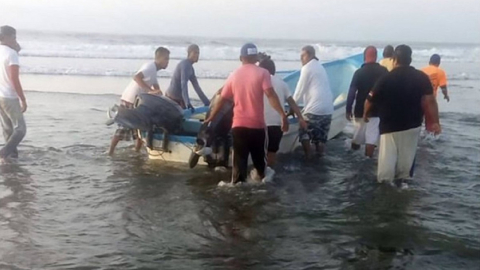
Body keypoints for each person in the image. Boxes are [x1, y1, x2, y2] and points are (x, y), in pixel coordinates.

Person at [205, 43, 288, 185]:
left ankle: (238, 191)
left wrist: (211, 116)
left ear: (241, 58)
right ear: (256, 57)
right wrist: (282, 115)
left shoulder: (234, 75)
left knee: (239, 169)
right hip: (258, 127)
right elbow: (271, 95)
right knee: (261, 168)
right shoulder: (263, 73)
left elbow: (222, 99)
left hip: (239, 127)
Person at [364, 45, 441, 184]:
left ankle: (387, 196)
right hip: (412, 126)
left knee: (385, 174)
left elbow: (369, 100)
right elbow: (431, 101)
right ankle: (403, 191)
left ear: (395, 59)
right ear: (410, 59)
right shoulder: (421, 77)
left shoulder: (386, 78)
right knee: (404, 171)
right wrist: (436, 122)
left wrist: (365, 115)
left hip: (389, 128)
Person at [108, 47, 170, 156]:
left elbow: (157, 89)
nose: (167, 62)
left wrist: (162, 96)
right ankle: (110, 151)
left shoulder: (154, 71)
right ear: (158, 59)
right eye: (166, 59)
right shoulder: (150, 67)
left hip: (137, 101)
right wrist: (149, 91)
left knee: (141, 127)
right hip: (130, 100)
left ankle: (136, 151)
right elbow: (136, 77)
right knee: (123, 128)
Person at [258, 57, 307, 167]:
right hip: (277, 124)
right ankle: (270, 174)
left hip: (260, 124)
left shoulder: (258, 81)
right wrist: (300, 118)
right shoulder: (282, 83)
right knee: (271, 154)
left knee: (259, 153)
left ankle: (259, 176)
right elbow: (292, 102)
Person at [346, 46, 388, 157]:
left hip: (360, 109)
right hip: (377, 110)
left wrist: (348, 109)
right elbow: (389, 91)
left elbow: (352, 92)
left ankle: (353, 156)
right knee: (371, 138)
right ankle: (368, 159)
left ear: (364, 56)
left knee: (357, 137)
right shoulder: (384, 71)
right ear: (376, 56)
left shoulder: (359, 73)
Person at [293, 45, 334, 159]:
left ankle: (308, 156)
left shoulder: (307, 68)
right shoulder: (320, 67)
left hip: (315, 110)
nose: (301, 59)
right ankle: (320, 156)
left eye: (303, 56)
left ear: (310, 55)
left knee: (303, 130)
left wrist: (292, 108)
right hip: (328, 110)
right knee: (320, 140)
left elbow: (298, 92)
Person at [0, 26, 27, 163]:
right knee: (20, 129)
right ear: (5, 37)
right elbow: (14, 79)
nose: (15, 39)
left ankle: (11, 157)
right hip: (9, 97)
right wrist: (22, 99)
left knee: (7, 129)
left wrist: (16, 49)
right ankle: (3, 154)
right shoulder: (11, 54)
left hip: (0, 95)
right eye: (13, 36)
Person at [166, 44, 210, 110]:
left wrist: (207, 103)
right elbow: (183, 85)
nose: (197, 55)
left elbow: (197, 87)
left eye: (198, 53)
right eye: (195, 52)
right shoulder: (185, 65)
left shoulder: (191, 68)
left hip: (180, 99)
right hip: (172, 98)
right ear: (189, 53)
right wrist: (187, 103)